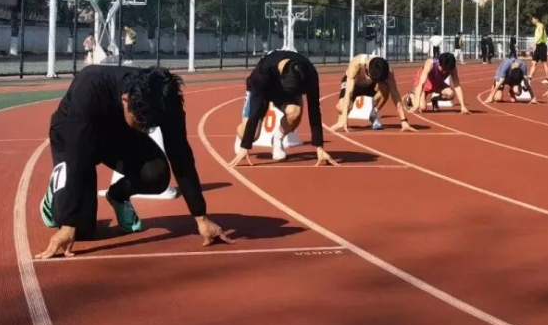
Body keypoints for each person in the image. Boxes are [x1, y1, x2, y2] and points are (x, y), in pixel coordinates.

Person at [36, 65, 232, 259]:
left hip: (118, 136)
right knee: (79, 230)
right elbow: (77, 155)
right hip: (71, 137)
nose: (144, 128)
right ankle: (54, 191)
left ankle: (118, 195)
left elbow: (181, 154)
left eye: (149, 126)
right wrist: (68, 225)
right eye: (139, 122)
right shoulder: (90, 85)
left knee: (156, 174)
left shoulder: (166, 98)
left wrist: (201, 217)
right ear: (125, 99)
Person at [230, 50, 337, 167]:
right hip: (263, 90)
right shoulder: (262, 73)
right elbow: (255, 110)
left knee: (294, 112)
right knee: (253, 135)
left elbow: (314, 110)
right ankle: (240, 136)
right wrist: (245, 146)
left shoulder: (310, 74)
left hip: (285, 92)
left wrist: (319, 147)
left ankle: (277, 138)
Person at [330, 54, 415, 132]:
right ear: (367, 68)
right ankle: (343, 114)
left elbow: (395, 94)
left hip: (371, 86)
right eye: (374, 78)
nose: (376, 80)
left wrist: (404, 120)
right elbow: (348, 93)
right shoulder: (356, 64)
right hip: (355, 84)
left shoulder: (388, 70)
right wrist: (344, 117)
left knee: (385, 87)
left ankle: (373, 113)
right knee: (342, 107)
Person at [531, 15, 548, 82]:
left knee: (544, 63)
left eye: (533, 19)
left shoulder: (541, 26)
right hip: (538, 46)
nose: (532, 20)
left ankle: (547, 79)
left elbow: (541, 35)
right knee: (533, 62)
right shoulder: (537, 27)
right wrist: (536, 44)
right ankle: (530, 76)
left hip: (542, 46)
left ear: (537, 19)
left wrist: (534, 43)